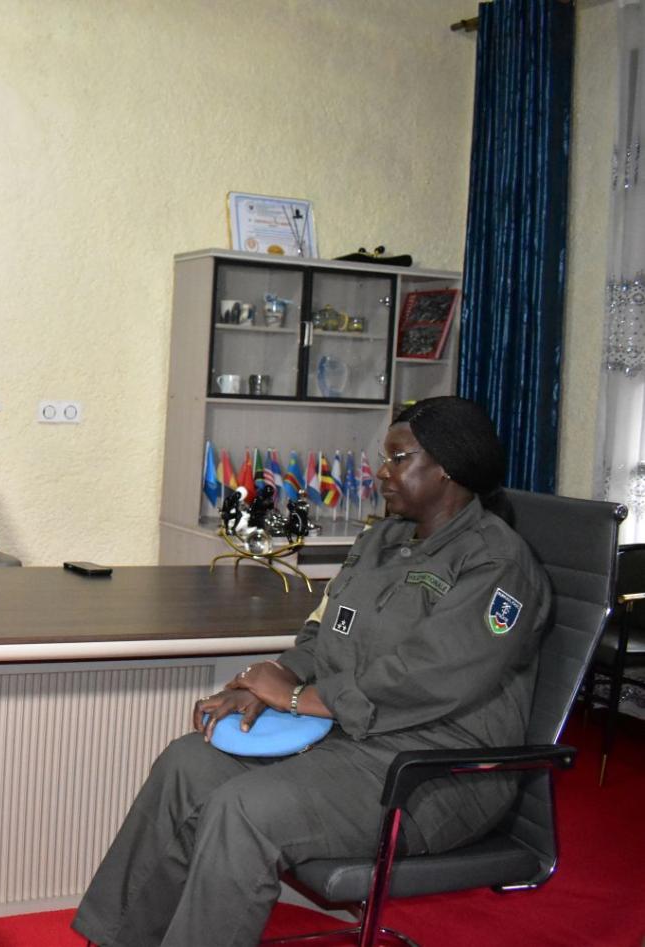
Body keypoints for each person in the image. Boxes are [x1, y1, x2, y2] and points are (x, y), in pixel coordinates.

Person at [73, 396, 551, 947]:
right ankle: (117, 940)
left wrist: (299, 699)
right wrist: (268, 681)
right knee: (188, 762)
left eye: (399, 459)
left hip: (435, 769)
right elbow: (324, 634)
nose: (382, 471)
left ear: (447, 466)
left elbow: (431, 677)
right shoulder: (382, 540)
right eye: (385, 457)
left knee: (244, 809)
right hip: (347, 741)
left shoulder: (496, 563)